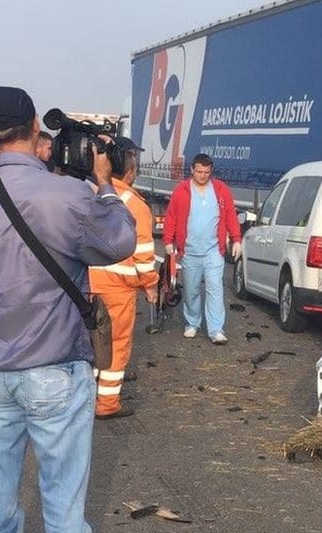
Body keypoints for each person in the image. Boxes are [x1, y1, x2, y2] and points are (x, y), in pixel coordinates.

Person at [0, 86, 136, 533]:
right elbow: (117, 243)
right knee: (62, 502)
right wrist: (103, 184)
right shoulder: (68, 194)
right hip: (52, 365)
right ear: (36, 125)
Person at [88, 137, 158, 419]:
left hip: (87, 284)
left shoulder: (89, 194)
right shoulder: (135, 205)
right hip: (118, 290)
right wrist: (151, 286)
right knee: (115, 346)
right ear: (129, 170)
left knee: (89, 342)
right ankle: (106, 404)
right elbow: (143, 254)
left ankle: (85, 395)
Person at [163, 154, 242, 343]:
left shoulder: (221, 190)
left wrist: (237, 239)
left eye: (207, 172)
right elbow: (171, 216)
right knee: (191, 290)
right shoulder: (181, 191)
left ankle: (216, 329)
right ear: (192, 170)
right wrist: (168, 240)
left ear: (211, 171)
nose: (203, 175)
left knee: (215, 288)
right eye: (199, 171)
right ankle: (192, 323)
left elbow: (231, 214)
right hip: (189, 250)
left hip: (213, 250)